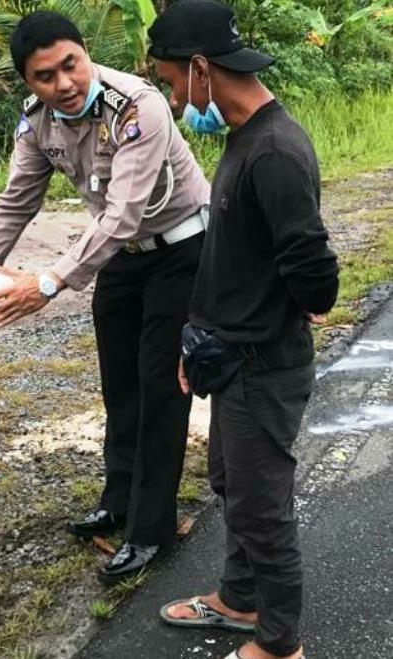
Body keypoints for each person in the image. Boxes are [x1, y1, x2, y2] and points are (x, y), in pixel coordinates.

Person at [0, 11, 211, 578]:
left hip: (182, 251)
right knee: (119, 386)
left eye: (70, 65)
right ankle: (118, 502)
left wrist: (49, 283)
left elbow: (124, 212)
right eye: (44, 76)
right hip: (120, 259)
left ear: (85, 53)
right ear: (29, 83)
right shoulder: (37, 124)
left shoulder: (137, 107)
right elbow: (15, 202)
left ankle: (151, 531)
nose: (64, 84)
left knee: (159, 388)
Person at [148, 2, 339, 658]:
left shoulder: (277, 149)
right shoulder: (244, 137)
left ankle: (281, 644)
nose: (176, 97)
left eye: (173, 80)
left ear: (201, 68)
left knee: (263, 506)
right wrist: (194, 336)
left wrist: (312, 300)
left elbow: (312, 261)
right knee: (232, 483)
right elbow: (230, 256)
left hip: (263, 364)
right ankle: (240, 597)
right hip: (227, 357)